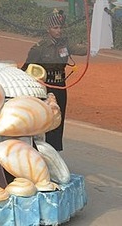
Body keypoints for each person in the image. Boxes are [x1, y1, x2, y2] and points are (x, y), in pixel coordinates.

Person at [22, 9, 84, 151]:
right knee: (43, 119)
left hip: (60, 86)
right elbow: (26, 69)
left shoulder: (65, 44)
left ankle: (54, 151)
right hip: (45, 87)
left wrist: (96, 44)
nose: (59, 30)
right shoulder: (39, 48)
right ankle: (39, 149)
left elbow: (82, 50)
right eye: (55, 28)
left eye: (60, 27)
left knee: (58, 119)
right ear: (48, 29)